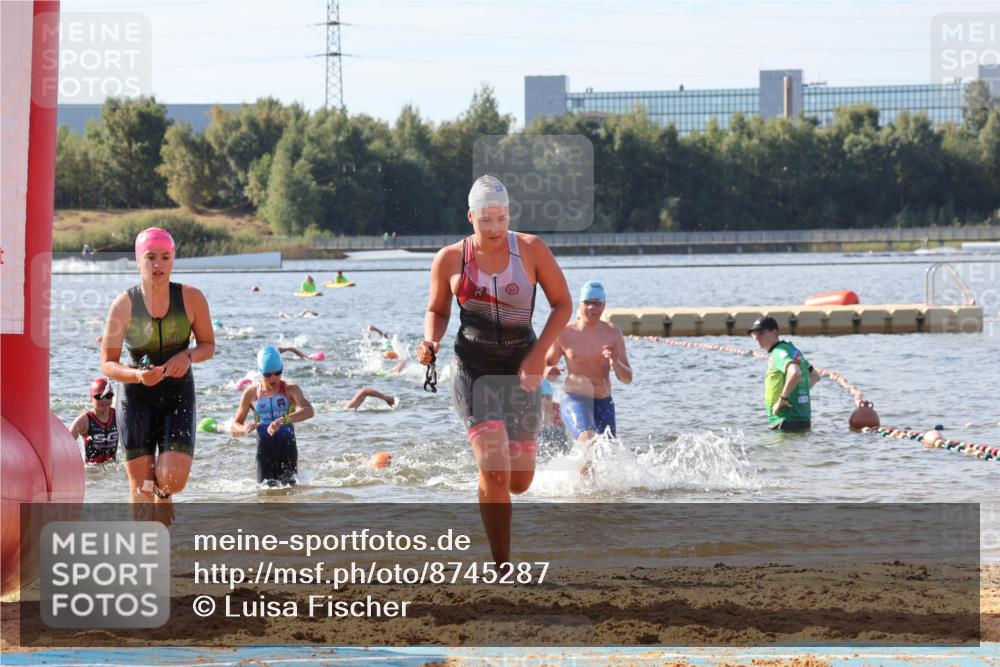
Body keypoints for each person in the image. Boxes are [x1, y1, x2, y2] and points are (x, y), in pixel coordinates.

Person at [417, 174, 572, 565]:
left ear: (508, 215)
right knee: (496, 470)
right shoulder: (452, 258)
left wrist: (539, 353)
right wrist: (431, 341)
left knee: (518, 481)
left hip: (522, 370)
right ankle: (502, 565)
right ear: (471, 217)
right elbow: (437, 310)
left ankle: (491, 481)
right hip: (475, 370)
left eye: (501, 219)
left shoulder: (532, 250)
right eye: (486, 220)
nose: (494, 228)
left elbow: (563, 304)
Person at [99, 227, 215, 505]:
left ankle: (163, 497)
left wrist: (187, 357)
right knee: (142, 488)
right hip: (136, 397)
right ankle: (149, 544)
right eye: (150, 257)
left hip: (178, 395)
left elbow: (208, 345)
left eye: (165, 257)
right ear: (138, 260)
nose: (158, 264)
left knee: (172, 480)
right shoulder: (123, 306)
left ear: (173, 260)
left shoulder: (192, 299)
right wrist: (137, 376)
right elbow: (107, 363)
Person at [545, 281, 632, 447]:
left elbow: (627, 378)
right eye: (587, 302)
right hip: (575, 400)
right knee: (588, 441)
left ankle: (574, 473)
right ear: (580, 303)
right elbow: (543, 366)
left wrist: (616, 362)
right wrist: (549, 370)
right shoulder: (565, 333)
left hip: (604, 402)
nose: (591, 308)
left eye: (597, 303)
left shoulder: (613, 333)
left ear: (604, 305)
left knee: (603, 456)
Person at [231, 346, 315, 486]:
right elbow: (235, 425)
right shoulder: (251, 394)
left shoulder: (290, 389)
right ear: (260, 372)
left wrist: (284, 419)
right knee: (264, 497)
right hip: (264, 453)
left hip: (287, 450)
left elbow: (309, 410)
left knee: (290, 495)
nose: (273, 378)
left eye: (278, 373)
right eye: (268, 374)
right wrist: (245, 428)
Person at [748, 316, 821, 432]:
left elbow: (795, 372)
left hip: (784, 420)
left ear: (774, 332)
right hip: (802, 419)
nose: (756, 337)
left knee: (775, 449)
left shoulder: (778, 352)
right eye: (753, 333)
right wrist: (795, 396)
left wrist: (783, 399)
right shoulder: (792, 350)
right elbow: (815, 376)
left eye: (760, 332)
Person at [69, 378, 119, 464]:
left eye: (108, 396)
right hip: (92, 471)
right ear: (91, 398)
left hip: (113, 472)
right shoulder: (84, 421)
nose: (104, 400)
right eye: (99, 397)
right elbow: (65, 444)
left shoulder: (118, 416)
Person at [536, 378, 568, 453]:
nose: (544, 400)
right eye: (541, 397)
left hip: (557, 440)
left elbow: (566, 430)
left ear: (551, 397)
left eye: (547, 397)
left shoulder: (557, 408)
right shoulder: (531, 410)